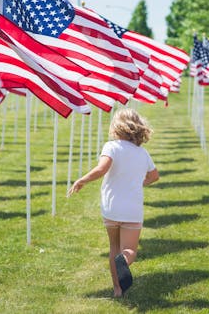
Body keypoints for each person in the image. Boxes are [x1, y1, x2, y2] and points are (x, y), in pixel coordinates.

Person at [67, 108, 159, 297]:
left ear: (116, 127)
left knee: (114, 249)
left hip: (111, 207)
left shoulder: (111, 146)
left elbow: (102, 169)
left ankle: (117, 289)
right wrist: (139, 182)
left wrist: (82, 180)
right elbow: (154, 176)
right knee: (129, 250)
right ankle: (124, 262)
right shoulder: (142, 153)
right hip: (132, 208)